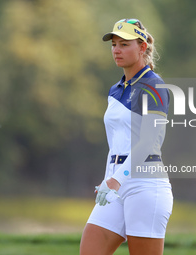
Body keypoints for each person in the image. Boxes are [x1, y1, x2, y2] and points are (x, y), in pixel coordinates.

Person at [80, 18, 173, 255]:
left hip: (146, 186)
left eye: (124, 44)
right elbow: (116, 144)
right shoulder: (115, 89)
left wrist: (116, 179)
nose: (116, 50)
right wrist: (108, 180)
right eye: (114, 45)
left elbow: (150, 142)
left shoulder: (154, 86)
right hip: (115, 183)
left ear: (142, 47)